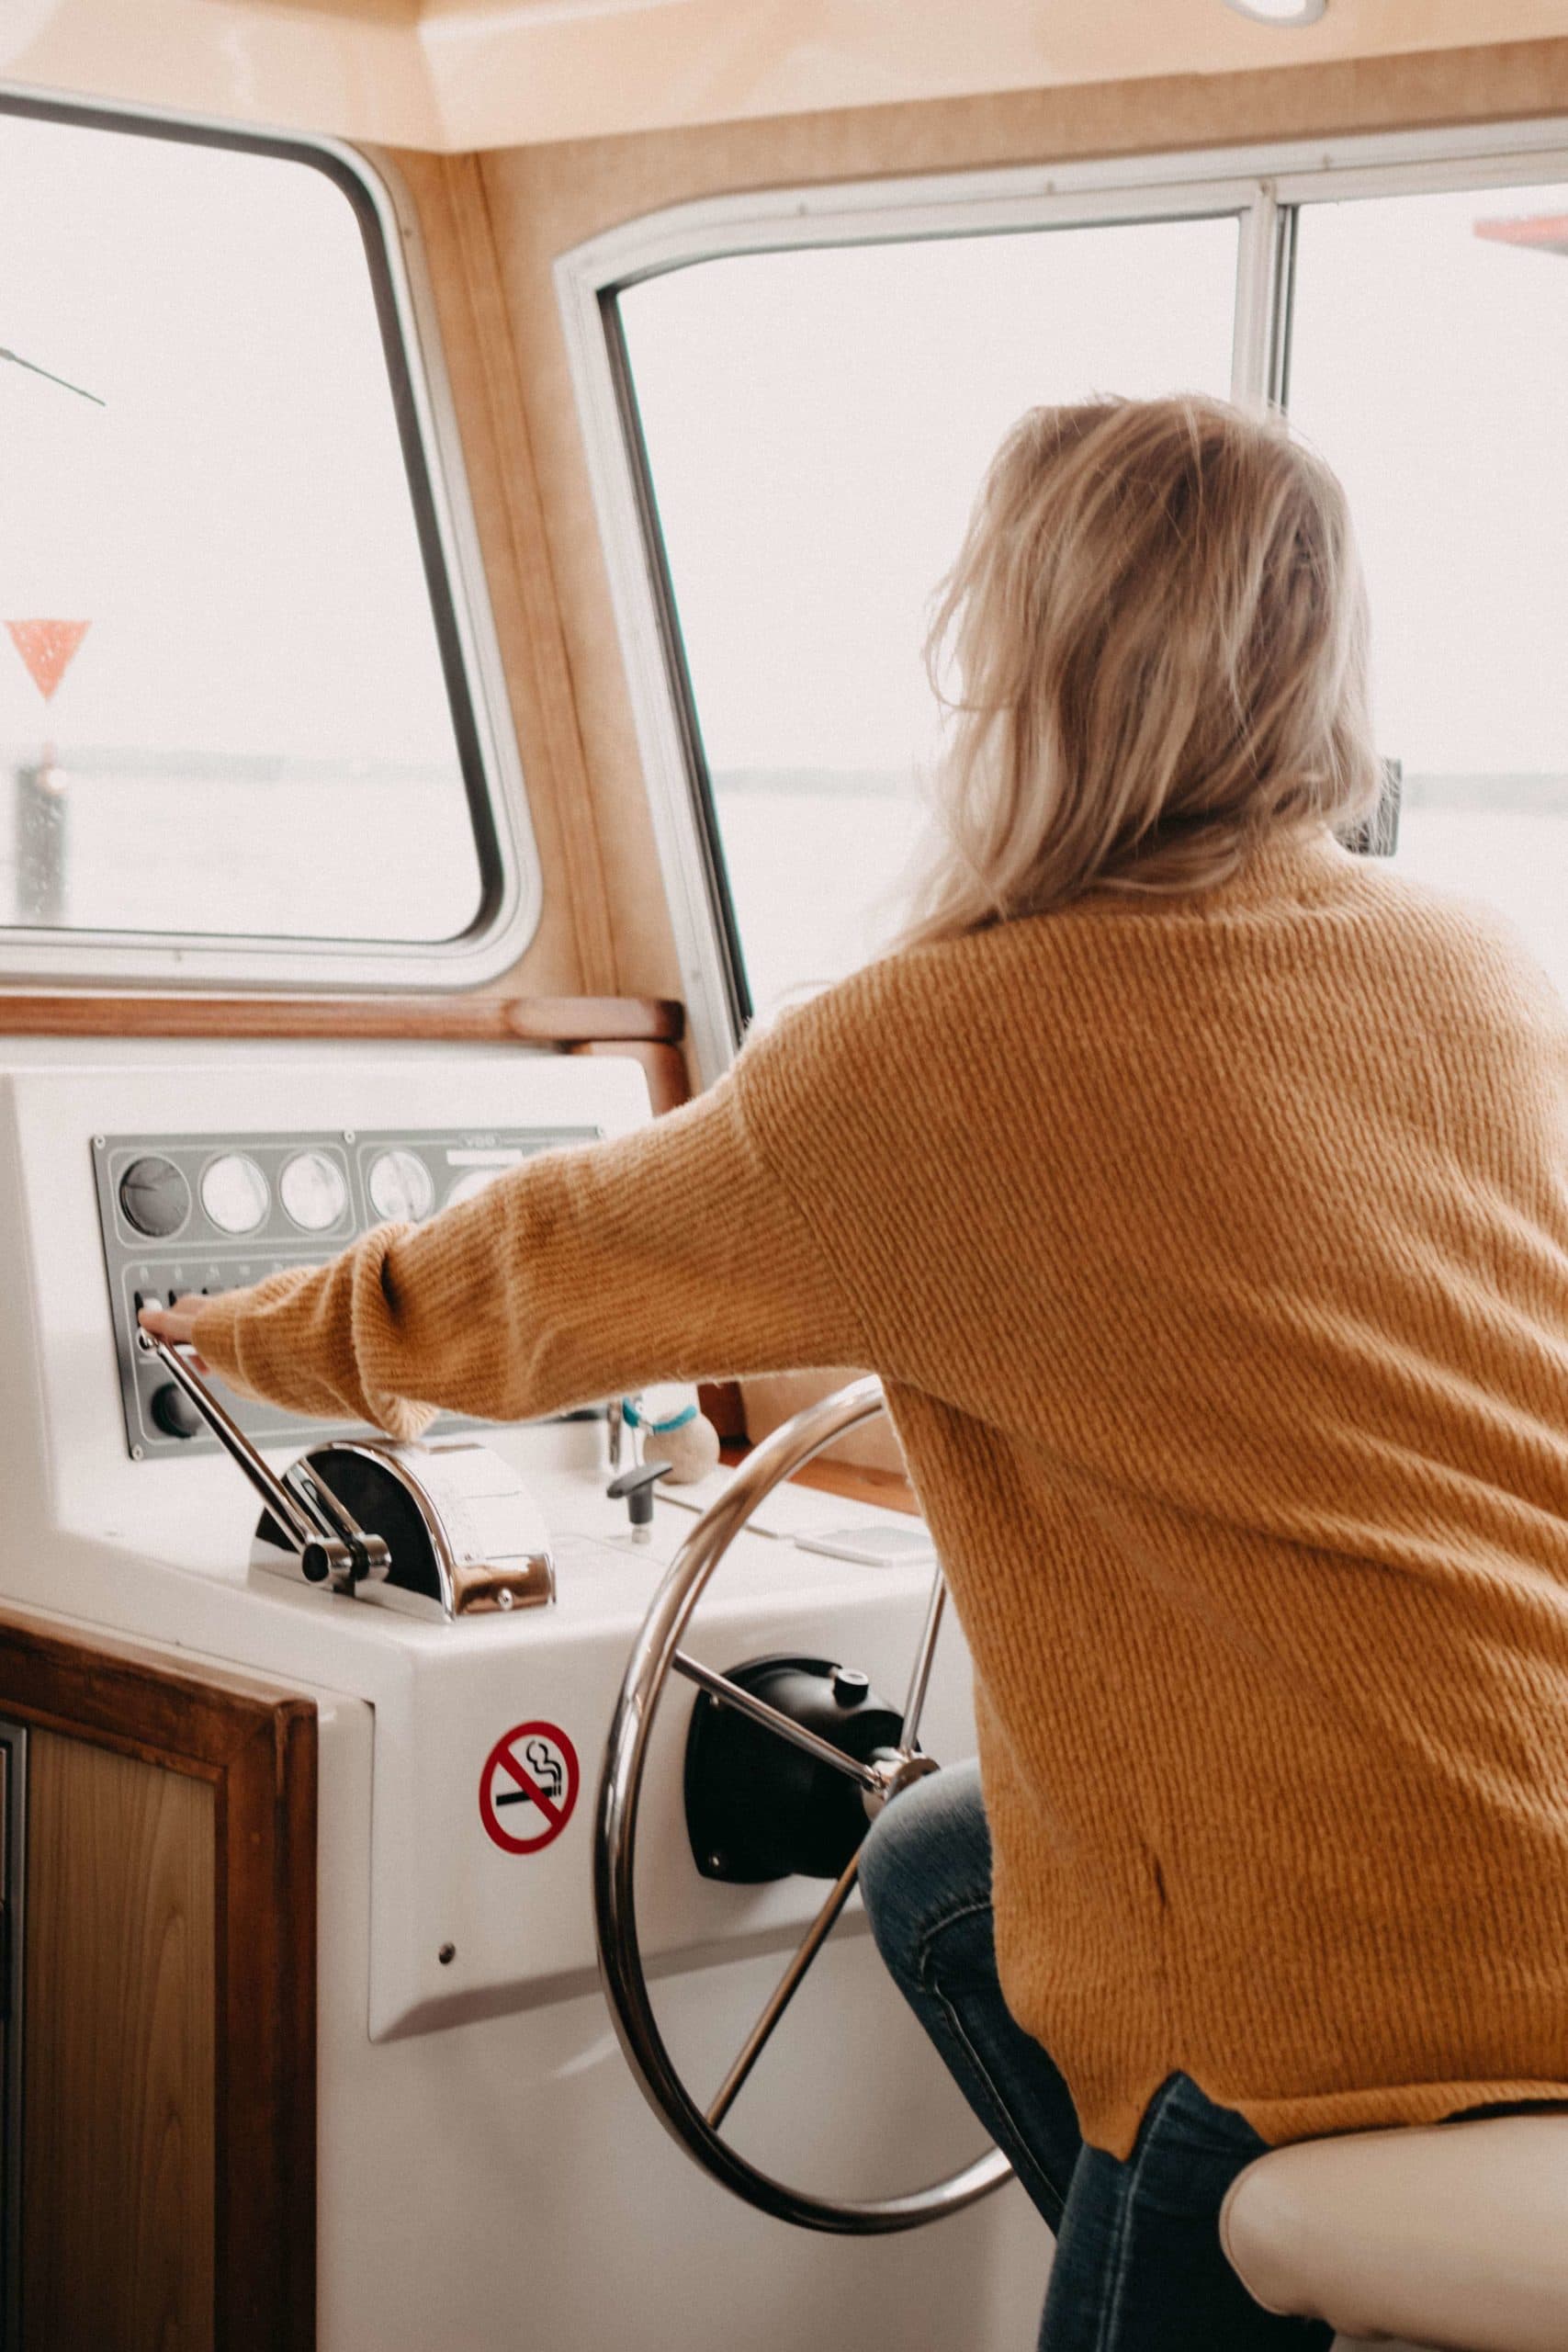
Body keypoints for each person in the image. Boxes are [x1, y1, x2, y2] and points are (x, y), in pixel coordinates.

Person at [141, 395, 1568, 2350]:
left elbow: (531, 1278)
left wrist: (226, 1336)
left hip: (1313, 1987)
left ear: (1019, 661)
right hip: (1537, 1836)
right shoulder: (1468, 969)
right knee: (932, 1854)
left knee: (1141, 2091)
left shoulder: (928, 1049)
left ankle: (1187, 2228)